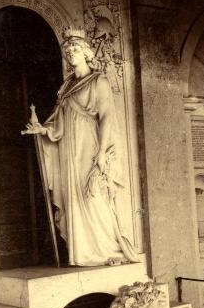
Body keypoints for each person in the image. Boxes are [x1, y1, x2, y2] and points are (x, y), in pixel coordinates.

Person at [22, 27, 139, 267]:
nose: (70, 53)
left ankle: (108, 249)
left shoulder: (99, 81)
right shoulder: (65, 88)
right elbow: (59, 120)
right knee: (72, 195)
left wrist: (102, 152)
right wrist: (43, 130)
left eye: (75, 49)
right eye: (67, 50)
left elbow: (106, 116)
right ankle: (84, 252)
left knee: (93, 195)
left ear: (86, 52)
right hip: (68, 148)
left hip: (89, 145)